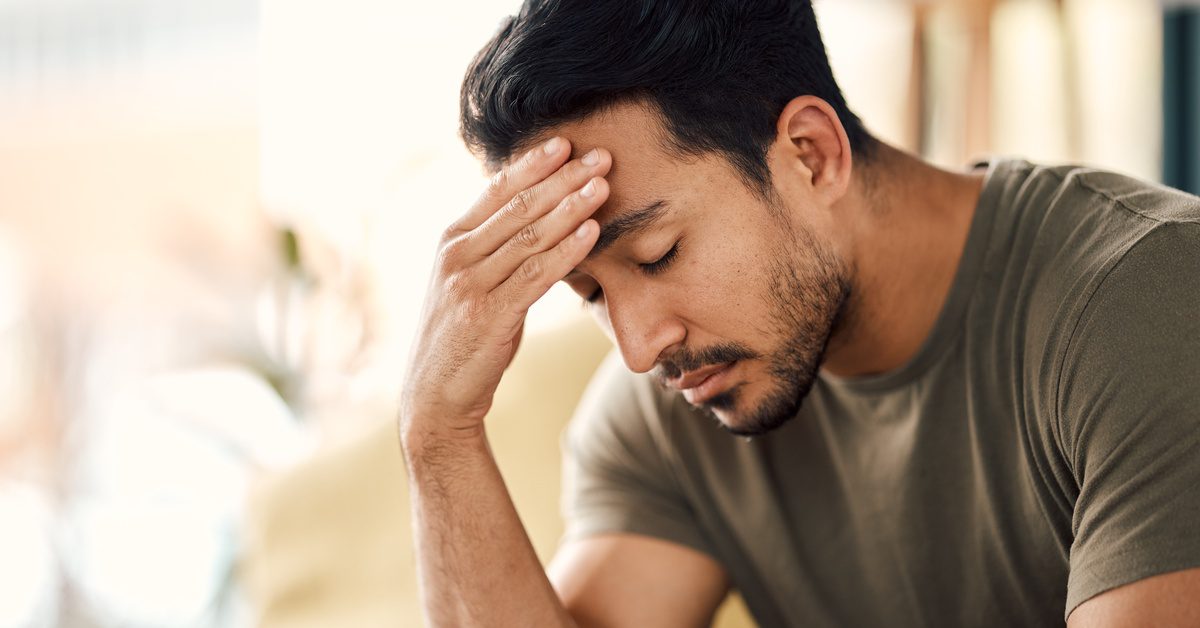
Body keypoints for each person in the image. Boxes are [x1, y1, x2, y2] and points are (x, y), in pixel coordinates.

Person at [398, 1, 1200, 626]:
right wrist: (437, 433)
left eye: (656, 256)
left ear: (811, 156)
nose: (641, 349)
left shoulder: (1149, 298)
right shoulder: (668, 414)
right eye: (592, 294)